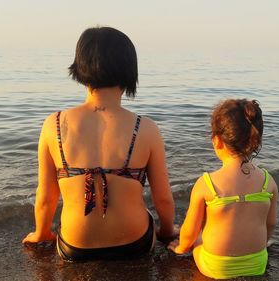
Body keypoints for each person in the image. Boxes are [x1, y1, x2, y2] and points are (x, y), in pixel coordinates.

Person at [22, 26, 177, 261]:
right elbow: (163, 197)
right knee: (145, 214)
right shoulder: (146, 128)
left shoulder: (53, 124)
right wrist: (167, 232)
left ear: (80, 66)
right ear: (129, 69)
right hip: (134, 243)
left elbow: (46, 196)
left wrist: (41, 234)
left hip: (74, 246)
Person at [168, 99, 278, 279]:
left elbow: (188, 231)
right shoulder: (268, 181)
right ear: (255, 140)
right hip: (257, 263)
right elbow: (271, 223)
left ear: (217, 141)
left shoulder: (207, 183)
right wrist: (262, 243)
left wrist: (180, 248)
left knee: (199, 235)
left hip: (216, 267)